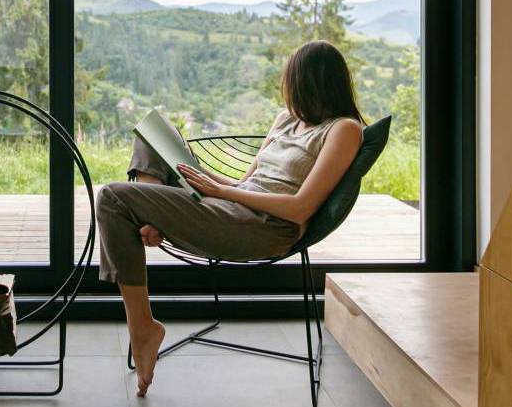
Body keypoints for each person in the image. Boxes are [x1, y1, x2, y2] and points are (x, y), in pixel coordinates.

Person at [96, 40, 366, 397]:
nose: (287, 90)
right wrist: (205, 181)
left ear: (311, 83)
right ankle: (155, 221)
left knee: (112, 197)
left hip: (263, 226)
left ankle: (142, 325)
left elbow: (301, 207)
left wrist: (221, 192)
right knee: (154, 135)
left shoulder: (343, 130)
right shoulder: (286, 120)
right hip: (232, 206)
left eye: (291, 80)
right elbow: (245, 183)